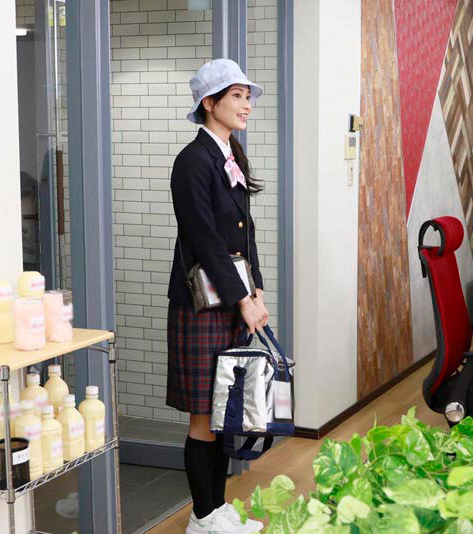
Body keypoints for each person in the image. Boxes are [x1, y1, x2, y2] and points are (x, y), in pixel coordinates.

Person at [167, 58, 269, 534]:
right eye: (237, 96)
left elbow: (244, 233)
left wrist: (256, 287)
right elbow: (204, 238)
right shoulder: (192, 161)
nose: (246, 105)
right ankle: (203, 516)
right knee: (204, 417)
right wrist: (241, 298)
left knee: (226, 413)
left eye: (247, 96)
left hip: (230, 300)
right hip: (203, 306)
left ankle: (216, 509)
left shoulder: (231, 154)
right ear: (209, 103)